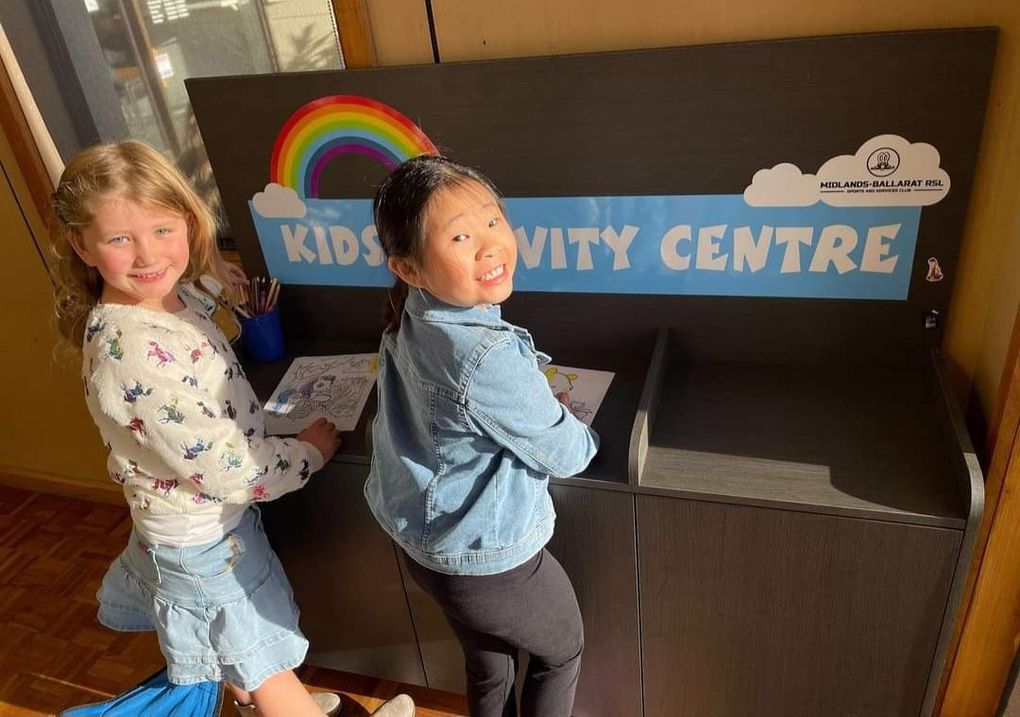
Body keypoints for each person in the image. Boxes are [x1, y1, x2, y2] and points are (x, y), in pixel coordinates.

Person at [49, 140, 413, 717]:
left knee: (238, 653)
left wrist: (212, 276)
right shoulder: (133, 347)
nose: (147, 255)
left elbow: (200, 322)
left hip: (188, 529)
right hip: (205, 542)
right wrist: (308, 454)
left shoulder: (164, 301)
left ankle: (253, 702)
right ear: (81, 245)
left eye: (163, 230)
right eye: (120, 239)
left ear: (189, 223)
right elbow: (226, 469)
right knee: (267, 664)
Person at [366, 154, 599, 717]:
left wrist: (528, 401)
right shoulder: (486, 352)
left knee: (489, 663)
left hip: (426, 546)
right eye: (461, 236)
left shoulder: (414, 307)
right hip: (490, 560)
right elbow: (569, 454)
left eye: (494, 221)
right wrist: (571, 424)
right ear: (409, 268)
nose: (491, 245)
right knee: (562, 654)